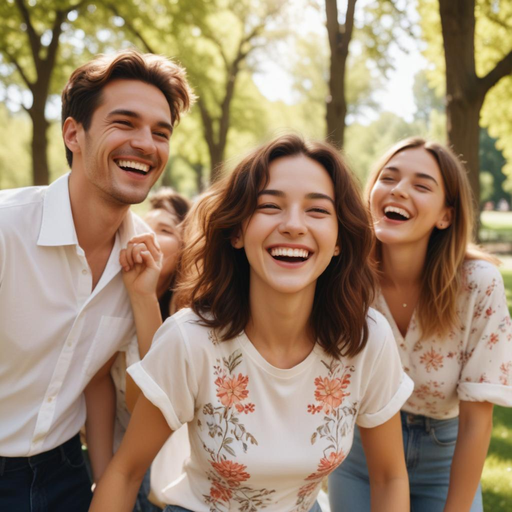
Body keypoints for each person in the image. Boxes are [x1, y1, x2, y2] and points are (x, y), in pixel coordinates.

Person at [90, 134, 414, 512]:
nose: (293, 225)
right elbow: (125, 472)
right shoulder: (190, 340)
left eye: (317, 211)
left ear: (340, 238)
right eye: (270, 206)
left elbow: (390, 477)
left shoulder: (366, 339)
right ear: (238, 231)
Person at [0, 49, 194, 512]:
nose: (146, 143)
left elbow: (113, 381)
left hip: (65, 471)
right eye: (124, 123)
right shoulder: (7, 230)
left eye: (160, 132)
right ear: (74, 134)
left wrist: (106, 484)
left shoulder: (142, 254)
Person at [328, 137, 512, 511]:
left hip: (445, 458)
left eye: (421, 185)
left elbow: (477, 421)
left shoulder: (478, 284)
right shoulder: (344, 276)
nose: (398, 191)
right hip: (361, 455)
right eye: (388, 178)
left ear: (446, 214)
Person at [111, 188, 191, 511]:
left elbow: (149, 397)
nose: (147, 235)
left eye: (165, 230)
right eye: (143, 225)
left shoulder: (190, 320)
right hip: (119, 465)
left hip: (169, 474)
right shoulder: (112, 303)